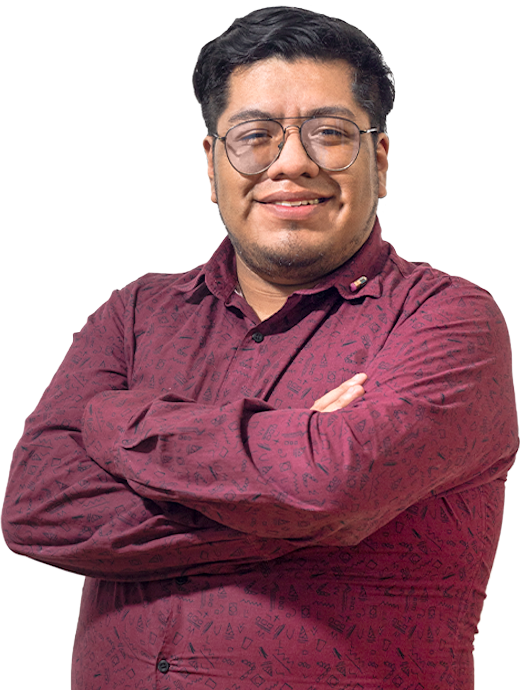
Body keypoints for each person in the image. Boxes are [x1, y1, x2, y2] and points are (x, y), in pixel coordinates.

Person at [2, 6, 518, 689]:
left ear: (380, 158)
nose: (293, 162)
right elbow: (36, 509)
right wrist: (290, 486)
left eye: (329, 133)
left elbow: (333, 484)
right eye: (255, 136)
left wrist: (115, 420)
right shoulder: (136, 313)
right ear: (212, 163)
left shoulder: (447, 318)